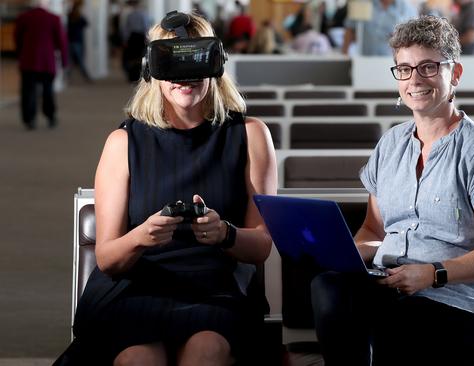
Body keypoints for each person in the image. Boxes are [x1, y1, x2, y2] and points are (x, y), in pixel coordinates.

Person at [54, 11, 277, 366]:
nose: (184, 78)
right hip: (135, 286)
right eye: (171, 63)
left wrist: (225, 234)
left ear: (216, 64)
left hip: (216, 289)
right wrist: (142, 236)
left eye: (195, 62)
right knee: (139, 359)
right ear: (151, 70)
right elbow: (109, 259)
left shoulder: (249, 135)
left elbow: (262, 244)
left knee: (206, 354)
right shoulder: (123, 143)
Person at [311, 15, 474, 365]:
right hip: (394, 283)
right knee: (328, 288)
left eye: (427, 67)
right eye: (404, 69)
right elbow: (373, 229)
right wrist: (356, 252)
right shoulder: (390, 144)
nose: (415, 80)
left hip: (466, 301)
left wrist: (432, 273)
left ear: (454, 74)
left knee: (394, 325)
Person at [14, 0, 68, 130]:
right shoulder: (53, 18)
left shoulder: (23, 17)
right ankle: (50, 116)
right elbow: (61, 41)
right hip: (47, 61)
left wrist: (20, 53)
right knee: (48, 90)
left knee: (28, 91)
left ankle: (29, 119)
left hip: (28, 60)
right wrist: (65, 61)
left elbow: (17, 37)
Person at [341, 0, 417, 56]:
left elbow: (413, 38)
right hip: (363, 60)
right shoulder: (361, 4)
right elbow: (349, 30)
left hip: (392, 62)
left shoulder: (408, 9)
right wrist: (344, 55)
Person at [67, 0, 91, 83]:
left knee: (70, 61)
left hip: (70, 40)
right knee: (80, 61)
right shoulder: (79, 17)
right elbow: (86, 23)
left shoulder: (69, 16)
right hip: (77, 40)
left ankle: (67, 77)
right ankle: (86, 77)